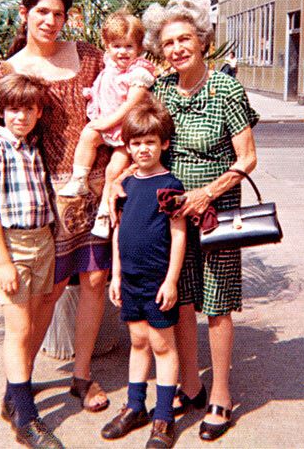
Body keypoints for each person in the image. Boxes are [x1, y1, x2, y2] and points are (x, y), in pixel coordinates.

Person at [0, 0, 112, 424]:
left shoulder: (88, 57)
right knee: (50, 291)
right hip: (43, 198)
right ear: (25, 14)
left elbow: (119, 94)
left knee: (97, 279)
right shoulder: (9, 70)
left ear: (67, 19)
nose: (50, 21)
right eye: (42, 11)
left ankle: (81, 376)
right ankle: (18, 385)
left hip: (96, 188)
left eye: (58, 14)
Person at [135, 0, 259, 441]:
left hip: (216, 211)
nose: (176, 48)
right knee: (182, 298)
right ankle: (190, 384)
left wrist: (207, 193)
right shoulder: (162, 91)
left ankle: (221, 394)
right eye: (168, 43)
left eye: (184, 38)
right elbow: (136, 140)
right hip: (170, 214)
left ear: (202, 41)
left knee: (218, 303)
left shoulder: (226, 90)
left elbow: (248, 158)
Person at [0, 73, 63, 448]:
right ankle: (26, 419)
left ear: (38, 112)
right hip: (14, 244)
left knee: (38, 315)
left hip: (42, 241)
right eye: (13, 110)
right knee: (19, 329)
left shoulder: (31, 147)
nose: (20, 117)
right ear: (1, 112)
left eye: (28, 109)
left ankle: (14, 396)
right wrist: (4, 261)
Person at [101, 100, 187, 448]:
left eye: (150, 142)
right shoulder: (126, 184)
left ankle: (163, 416)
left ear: (164, 143)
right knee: (138, 341)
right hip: (131, 279)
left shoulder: (170, 184)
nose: (142, 149)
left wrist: (171, 280)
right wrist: (117, 275)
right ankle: (136, 406)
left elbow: (179, 234)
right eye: (135, 143)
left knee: (162, 346)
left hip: (156, 280)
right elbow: (119, 232)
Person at [58, 10, 155, 240]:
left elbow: (130, 105)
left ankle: (103, 213)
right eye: (116, 46)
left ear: (139, 48)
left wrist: (105, 123)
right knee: (87, 138)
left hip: (125, 130)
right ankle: (79, 179)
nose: (122, 52)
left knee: (114, 169)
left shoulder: (139, 72)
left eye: (129, 46)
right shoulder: (109, 63)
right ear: (107, 46)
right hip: (107, 122)